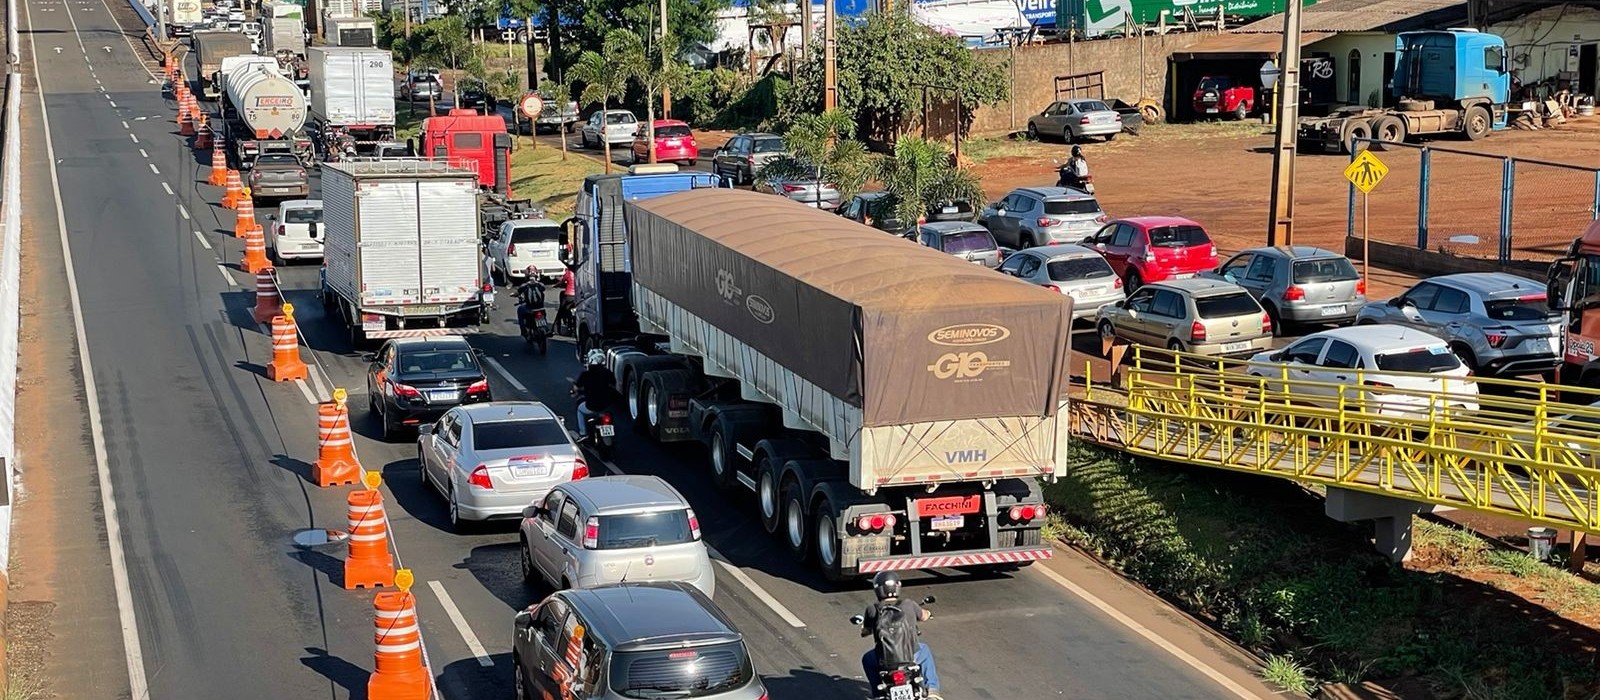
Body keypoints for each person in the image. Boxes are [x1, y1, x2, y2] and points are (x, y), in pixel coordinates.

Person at [860, 571, 941, 698]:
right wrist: (928, 613)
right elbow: (924, 616)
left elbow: (865, 631)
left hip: (884, 660)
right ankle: (932, 691)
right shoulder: (909, 604)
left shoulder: (872, 609)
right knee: (925, 650)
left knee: (867, 659)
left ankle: (878, 694)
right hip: (911, 656)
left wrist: (866, 629)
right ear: (898, 587)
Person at [573, 350, 619, 439]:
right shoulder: (608, 373)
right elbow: (613, 385)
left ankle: (583, 433)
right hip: (607, 406)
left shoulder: (585, 375)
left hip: (592, 406)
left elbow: (576, 387)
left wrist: (575, 391)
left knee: (580, 410)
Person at [556, 263, 577, 332]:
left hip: (568, 295)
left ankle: (555, 327)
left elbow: (562, 281)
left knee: (560, 310)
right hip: (577, 296)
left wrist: (556, 285)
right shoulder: (579, 272)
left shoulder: (569, 273)